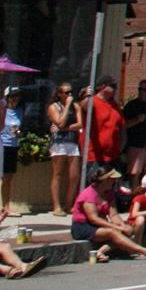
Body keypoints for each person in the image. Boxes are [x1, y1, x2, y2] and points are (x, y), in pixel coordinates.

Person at [72, 166, 146, 261]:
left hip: (98, 225)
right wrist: (117, 227)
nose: (114, 181)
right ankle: (144, 251)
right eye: (112, 179)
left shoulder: (109, 193)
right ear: (105, 180)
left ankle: (100, 252)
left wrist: (122, 226)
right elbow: (94, 219)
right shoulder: (88, 194)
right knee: (112, 232)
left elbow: (113, 215)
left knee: (125, 231)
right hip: (83, 227)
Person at [47, 81, 83, 216]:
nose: (70, 95)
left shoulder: (76, 106)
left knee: (74, 176)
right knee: (58, 174)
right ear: (59, 94)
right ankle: (56, 206)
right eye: (66, 93)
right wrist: (67, 105)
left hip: (72, 142)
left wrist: (66, 128)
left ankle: (69, 205)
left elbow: (79, 124)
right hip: (59, 143)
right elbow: (59, 121)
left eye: (71, 92)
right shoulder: (53, 106)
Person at [83, 76, 124, 175]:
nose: (116, 89)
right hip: (95, 156)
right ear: (102, 87)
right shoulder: (93, 102)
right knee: (95, 186)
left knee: (110, 188)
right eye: (113, 86)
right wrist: (86, 96)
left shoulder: (115, 105)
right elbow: (83, 107)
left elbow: (122, 126)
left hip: (113, 156)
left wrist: (121, 146)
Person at [0, 86, 23, 212]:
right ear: (7, 97)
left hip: (13, 145)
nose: (15, 99)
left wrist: (18, 132)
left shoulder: (20, 111)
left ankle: (6, 206)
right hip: (1, 145)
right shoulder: (2, 110)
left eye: (17, 96)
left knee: (8, 178)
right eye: (13, 96)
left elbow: (20, 128)